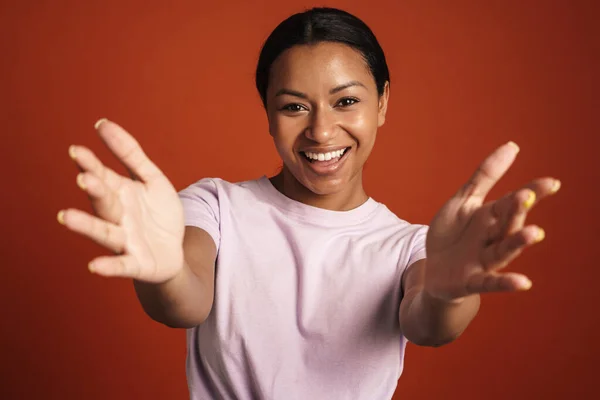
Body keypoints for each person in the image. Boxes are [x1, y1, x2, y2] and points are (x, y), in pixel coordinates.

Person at [57, 7, 560, 400]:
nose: (321, 131)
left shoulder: (408, 246)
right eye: (294, 106)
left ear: (382, 103)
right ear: (269, 114)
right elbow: (186, 301)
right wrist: (163, 272)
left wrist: (449, 293)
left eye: (346, 101)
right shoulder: (215, 205)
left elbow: (427, 322)